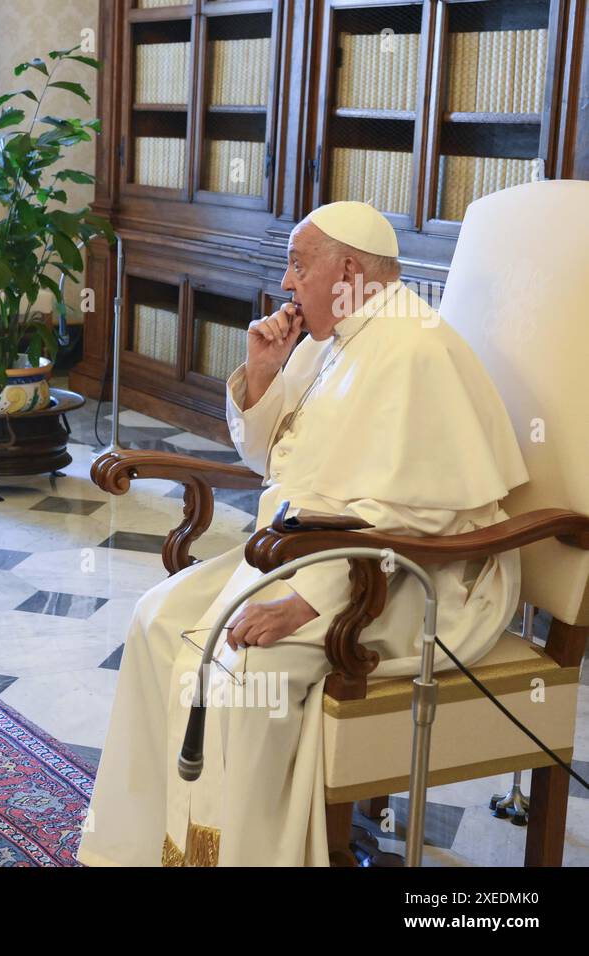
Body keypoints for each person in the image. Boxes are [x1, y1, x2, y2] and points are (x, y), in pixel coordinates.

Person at [78, 201, 529, 866]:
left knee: (242, 667)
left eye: (298, 265)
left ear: (347, 269)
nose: (287, 283)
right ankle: (147, 848)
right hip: (305, 558)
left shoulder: (417, 349)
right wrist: (263, 373)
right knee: (157, 621)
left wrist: (307, 604)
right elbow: (272, 462)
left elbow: (431, 516)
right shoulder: (330, 340)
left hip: (406, 584)